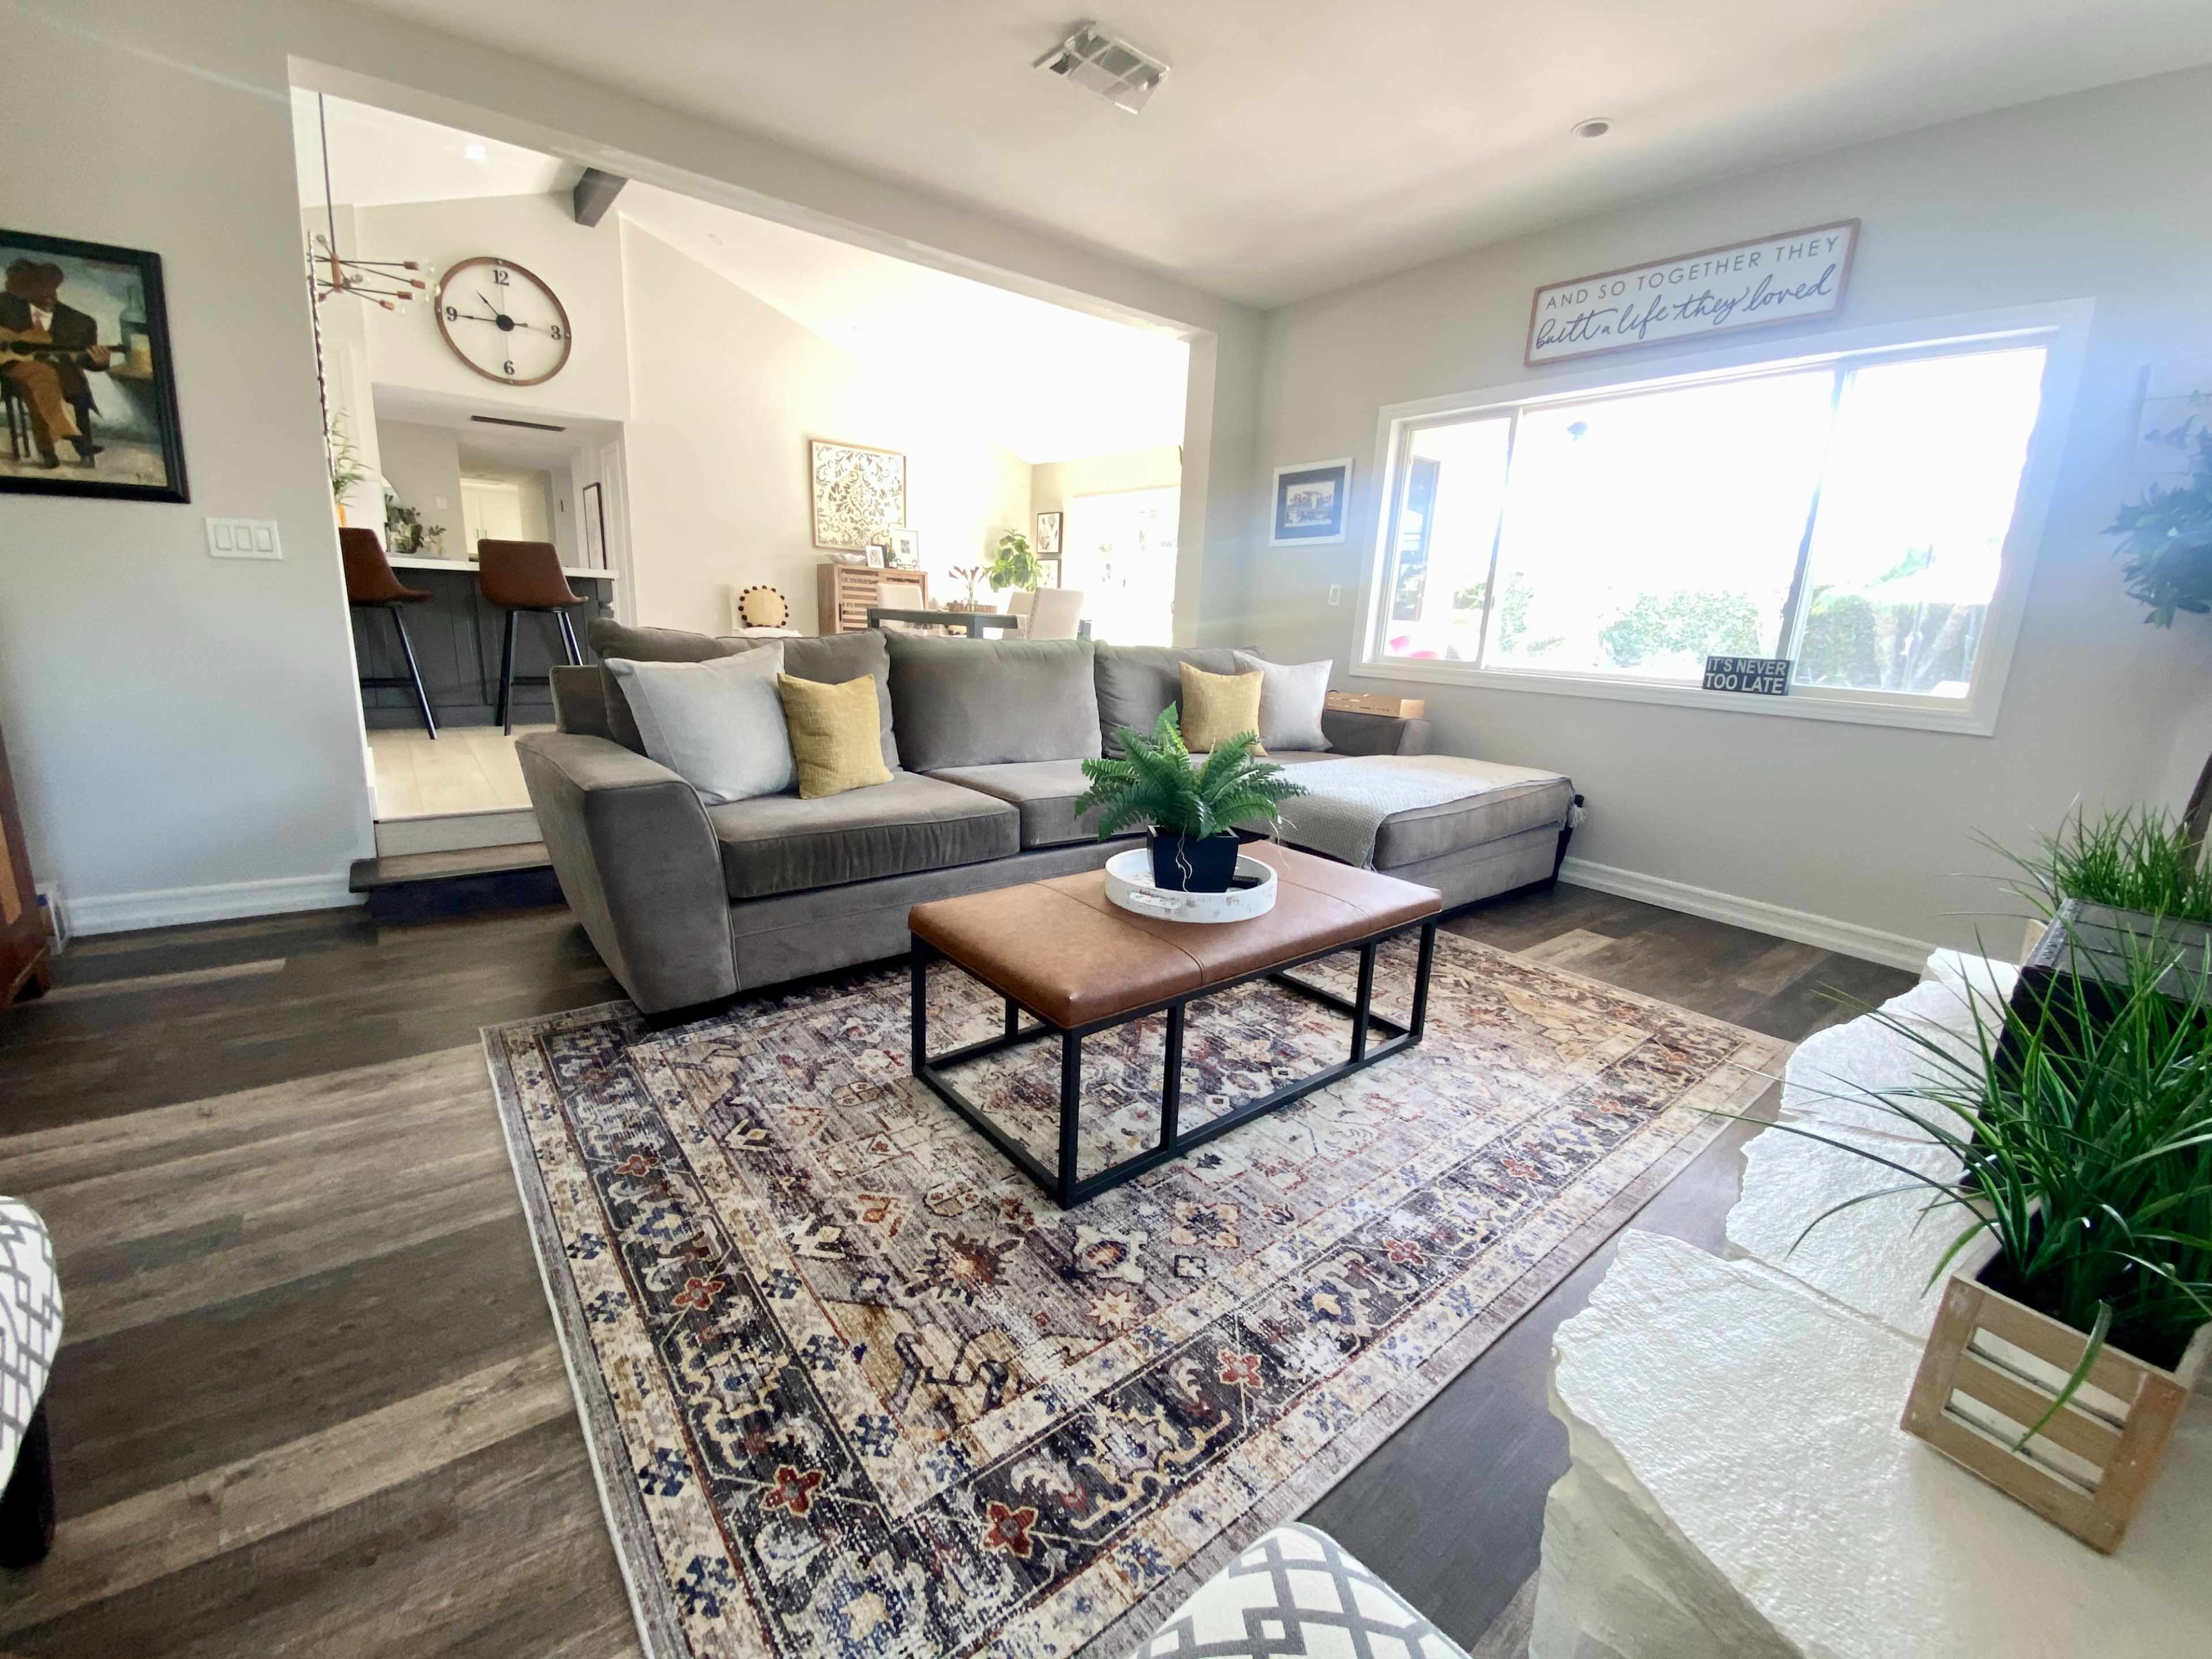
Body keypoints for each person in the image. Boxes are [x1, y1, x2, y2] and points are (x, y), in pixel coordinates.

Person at [0, 260, 108, 468]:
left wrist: (100, 361)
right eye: (39, 289)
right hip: (9, 368)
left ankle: (49, 451)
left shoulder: (79, 321)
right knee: (42, 374)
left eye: (52, 289)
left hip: (55, 374)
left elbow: (85, 358)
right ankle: (76, 440)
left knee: (44, 377)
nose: (48, 296)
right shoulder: (5, 304)